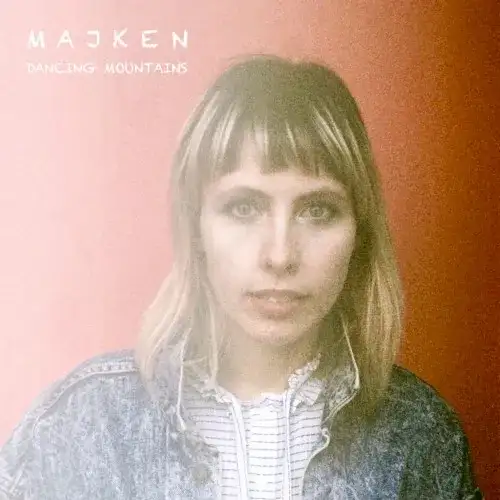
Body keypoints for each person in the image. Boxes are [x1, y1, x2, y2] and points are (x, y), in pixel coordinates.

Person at [0, 55, 482, 499]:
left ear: (360, 233)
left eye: (317, 210)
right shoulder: (84, 425)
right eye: (244, 207)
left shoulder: (421, 435)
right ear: (196, 227)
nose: (280, 255)